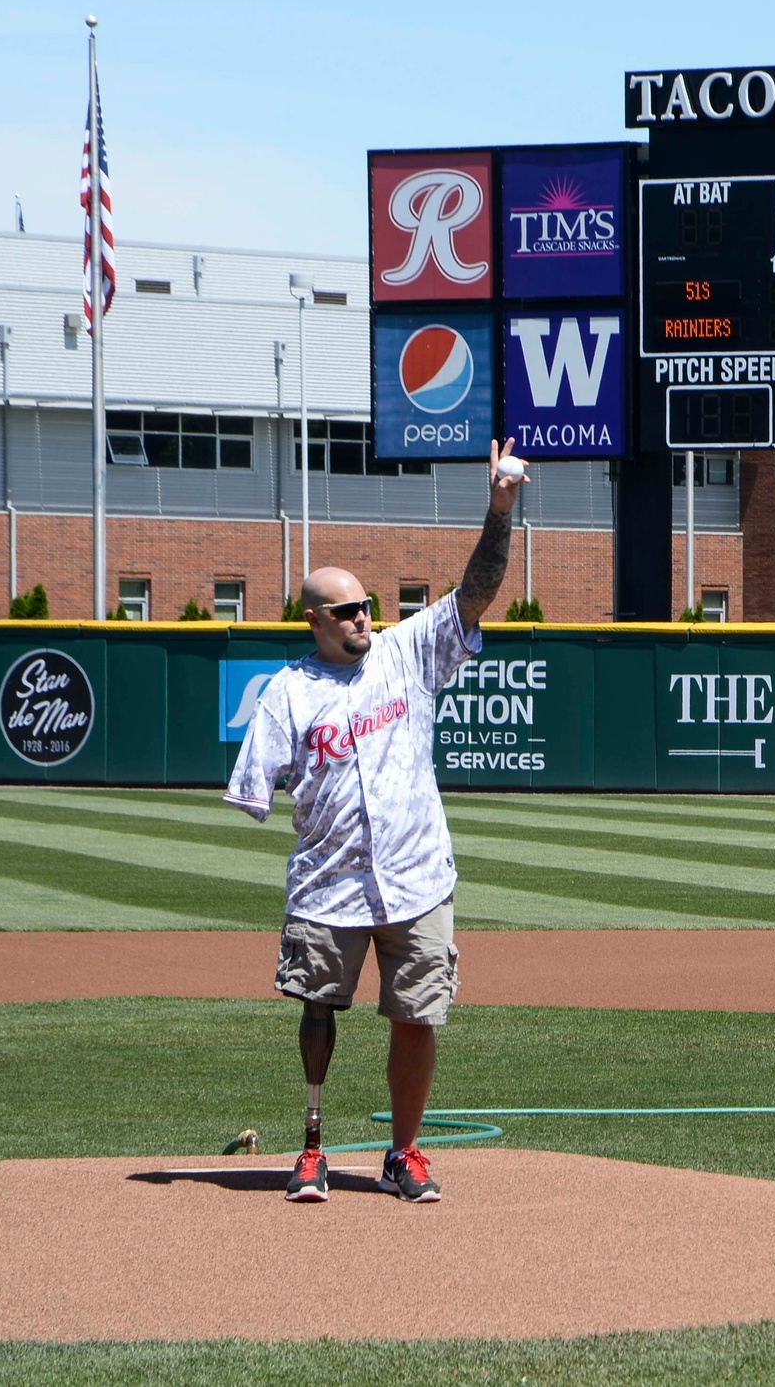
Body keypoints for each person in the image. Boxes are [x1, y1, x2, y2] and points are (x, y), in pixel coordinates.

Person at [225, 439, 528, 1204]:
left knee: (417, 1012)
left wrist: (499, 510)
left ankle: (404, 1152)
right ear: (314, 620)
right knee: (319, 1004)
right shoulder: (287, 692)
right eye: (346, 609)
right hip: (329, 881)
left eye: (367, 604)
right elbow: (254, 789)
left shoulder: (407, 651)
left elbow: (476, 593)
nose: (363, 616)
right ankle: (314, 1142)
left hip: (417, 873)